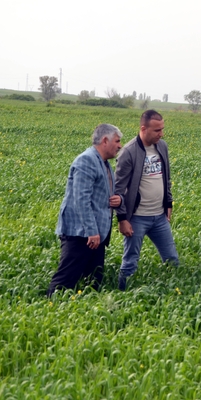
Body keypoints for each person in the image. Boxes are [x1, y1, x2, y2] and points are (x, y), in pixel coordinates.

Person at [47, 124, 123, 296]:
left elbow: (108, 193)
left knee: (93, 282)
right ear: (105, 140)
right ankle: (50, 308)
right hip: (81, 234)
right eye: (117, 141)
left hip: (96, 234)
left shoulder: (103, 163)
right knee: (66, 279)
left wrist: (119, 199)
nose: (120, 145)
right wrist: (91, 231)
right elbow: (81, 200)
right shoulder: (87, 160)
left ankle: (84, 314)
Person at [114, 110, 179, 290]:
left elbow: (166, 178)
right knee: (130, 262)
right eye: (157, 130)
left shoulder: (162, 147)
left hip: (159, 217)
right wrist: (122, 219)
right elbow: (118, 189)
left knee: (172, 259)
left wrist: (168, 204)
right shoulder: (128, 152)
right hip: (136, 218)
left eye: (162, 129)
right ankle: (123, 293)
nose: (161, 134)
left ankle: (176, 291)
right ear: (144, 128)